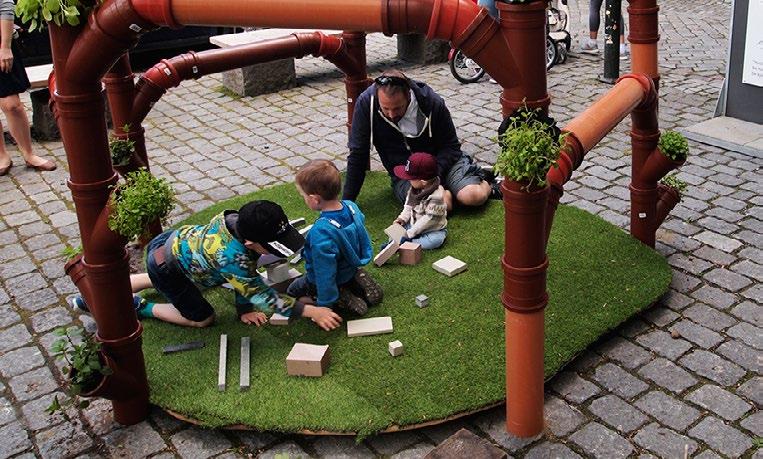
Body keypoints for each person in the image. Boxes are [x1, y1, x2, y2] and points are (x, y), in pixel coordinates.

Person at [73, 200, 344, 331]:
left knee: (166, 277)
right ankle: (139, 306)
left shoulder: (239, 220)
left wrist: (243, 308)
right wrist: (312, 312)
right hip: (171, 267)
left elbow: (246, 274)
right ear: (249, 243)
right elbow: (264, 297)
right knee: (203, 318)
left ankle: (96, 292)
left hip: (173, 246)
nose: (276, 252)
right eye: (271, 246)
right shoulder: (231, 258)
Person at [344, 70, 500, 210]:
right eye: (385, 109)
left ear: (409, 95)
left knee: (472, 196)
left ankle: (487, 183)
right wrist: (347, 202)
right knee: (438, 205)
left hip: (445, 164)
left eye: (397, 108)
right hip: (407, 174)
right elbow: (358, 153)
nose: (391, 115)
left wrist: (433, 174)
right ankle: (451, 192)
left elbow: (451, 147)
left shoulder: (432, 102)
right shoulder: (366, 104)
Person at [288, 159, 383, 316]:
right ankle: (355, 283)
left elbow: (324, 271)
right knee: (345, 274)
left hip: (333, 276)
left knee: (293, 290)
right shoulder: (351, 207)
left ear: (314, 199)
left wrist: (325, 304)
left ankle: (338, 297)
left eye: (303, 195)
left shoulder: (321, 232)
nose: (303, 199)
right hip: (350, 268)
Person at [0, 0, 56, 176]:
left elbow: (5, 6)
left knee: (12, 105)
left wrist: (5, 46)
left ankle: (29, 154)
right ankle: (2, 156)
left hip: (1, 42)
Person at [391, 152, 448, 250]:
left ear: (423, 182)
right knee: (394, 233)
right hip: (413, 223)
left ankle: (409, 244)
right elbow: (408, 206)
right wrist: (402, 219)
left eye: (411, 178)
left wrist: (409, 234)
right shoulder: (413, 189)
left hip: (431, 229)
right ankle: (403, 242)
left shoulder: (436, 197)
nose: (408, 180)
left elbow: (428, 219)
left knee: (435, 240)